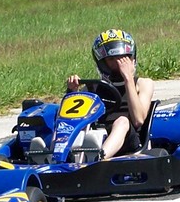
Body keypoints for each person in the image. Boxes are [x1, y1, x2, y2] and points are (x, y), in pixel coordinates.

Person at [65, 29, 155, 159]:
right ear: (103, 63)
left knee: (122, 121)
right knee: (75, 125)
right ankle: (54, 156)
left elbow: (138, 120)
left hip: (129, 140)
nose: (119, 63)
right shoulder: (92, 87)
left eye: (124, 58)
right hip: (97, 136)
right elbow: (73, 117)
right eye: (112, 59)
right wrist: (72, 91)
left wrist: (128, 78)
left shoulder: (143, 84)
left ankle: (99, 157)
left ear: (132, 58)